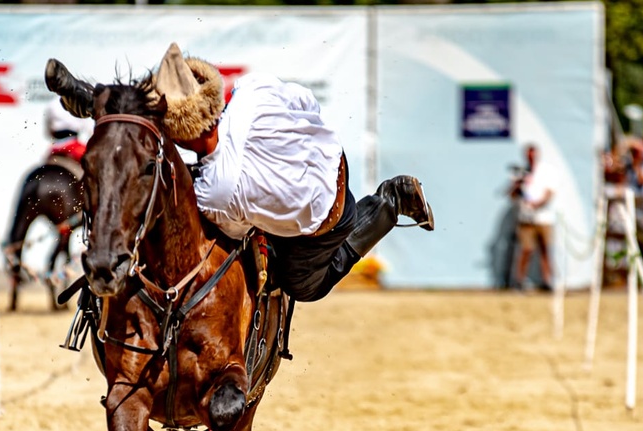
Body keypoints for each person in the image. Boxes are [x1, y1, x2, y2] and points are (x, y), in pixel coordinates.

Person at [150, 43, 433, 303]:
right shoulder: (252, 90)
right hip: (334, 159)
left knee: (302, 285)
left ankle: (390, 201)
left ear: (178, 135)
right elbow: (306, 101)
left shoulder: (214, 193)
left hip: (328, 219)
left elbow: (237, 231)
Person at [509, 143, 555, 290]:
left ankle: (547, 281)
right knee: (526, 249)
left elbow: (549, 192)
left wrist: (537, 204)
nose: (531, 157)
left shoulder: (546, 170)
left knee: (545, 250)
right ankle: (519, 281)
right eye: (528, 154)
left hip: (544, 218)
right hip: (526, 218)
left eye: (533, 154)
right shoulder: (521, 172)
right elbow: (512, 195)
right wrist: (517, 185)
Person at [44, 96, 92, 163]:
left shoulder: (51, 104)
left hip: (57, 145)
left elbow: (48, 132)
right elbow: (89, 130)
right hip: (74, 144)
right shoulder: (78, 104)